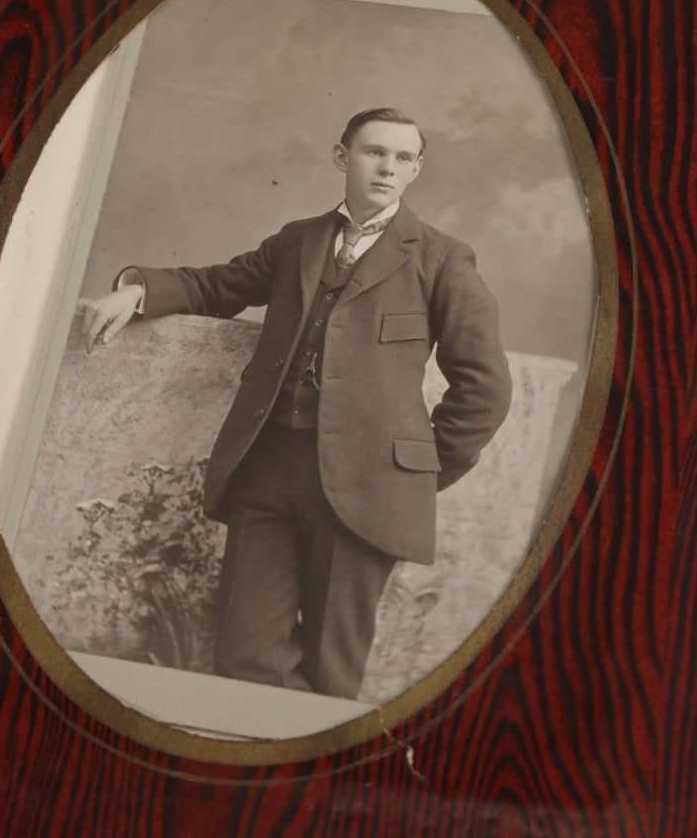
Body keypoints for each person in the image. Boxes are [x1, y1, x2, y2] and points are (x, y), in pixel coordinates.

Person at [76, 107, 512, 699]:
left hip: (369, 485)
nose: (386, 167)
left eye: (402, 157)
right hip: (269, 469)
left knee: (332, 670)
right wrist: (138, 292)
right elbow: (217, 286)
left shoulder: (440, 256)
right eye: (373, 152)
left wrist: (413, 473)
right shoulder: (299, 240)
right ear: (342, 157)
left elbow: (484, 385)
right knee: (243, 660)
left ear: (416, 170)